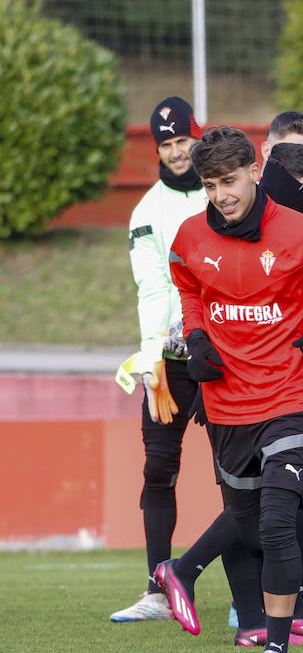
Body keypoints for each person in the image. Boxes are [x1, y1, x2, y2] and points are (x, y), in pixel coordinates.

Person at [166, 126, 303, 653]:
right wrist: (197, 338)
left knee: (279, 521)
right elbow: (188, 285)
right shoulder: (189, 236)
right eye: (210, 185)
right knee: (254, 519)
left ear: (255, 172)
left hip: (293, 392)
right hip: (228, 401)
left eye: (230, 181)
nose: (222, 195)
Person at [111, 96, 208, 624]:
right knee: (158, 471)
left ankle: (252, 594)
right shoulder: (146, 210)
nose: (176, 152)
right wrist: (151, 357)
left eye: (182, 141)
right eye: (167, 144)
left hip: (220, 354)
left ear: (198, 136)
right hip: (170, 360)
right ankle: (156, 587)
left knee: (235, 472)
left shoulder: (224, 193)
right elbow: (151, 287)